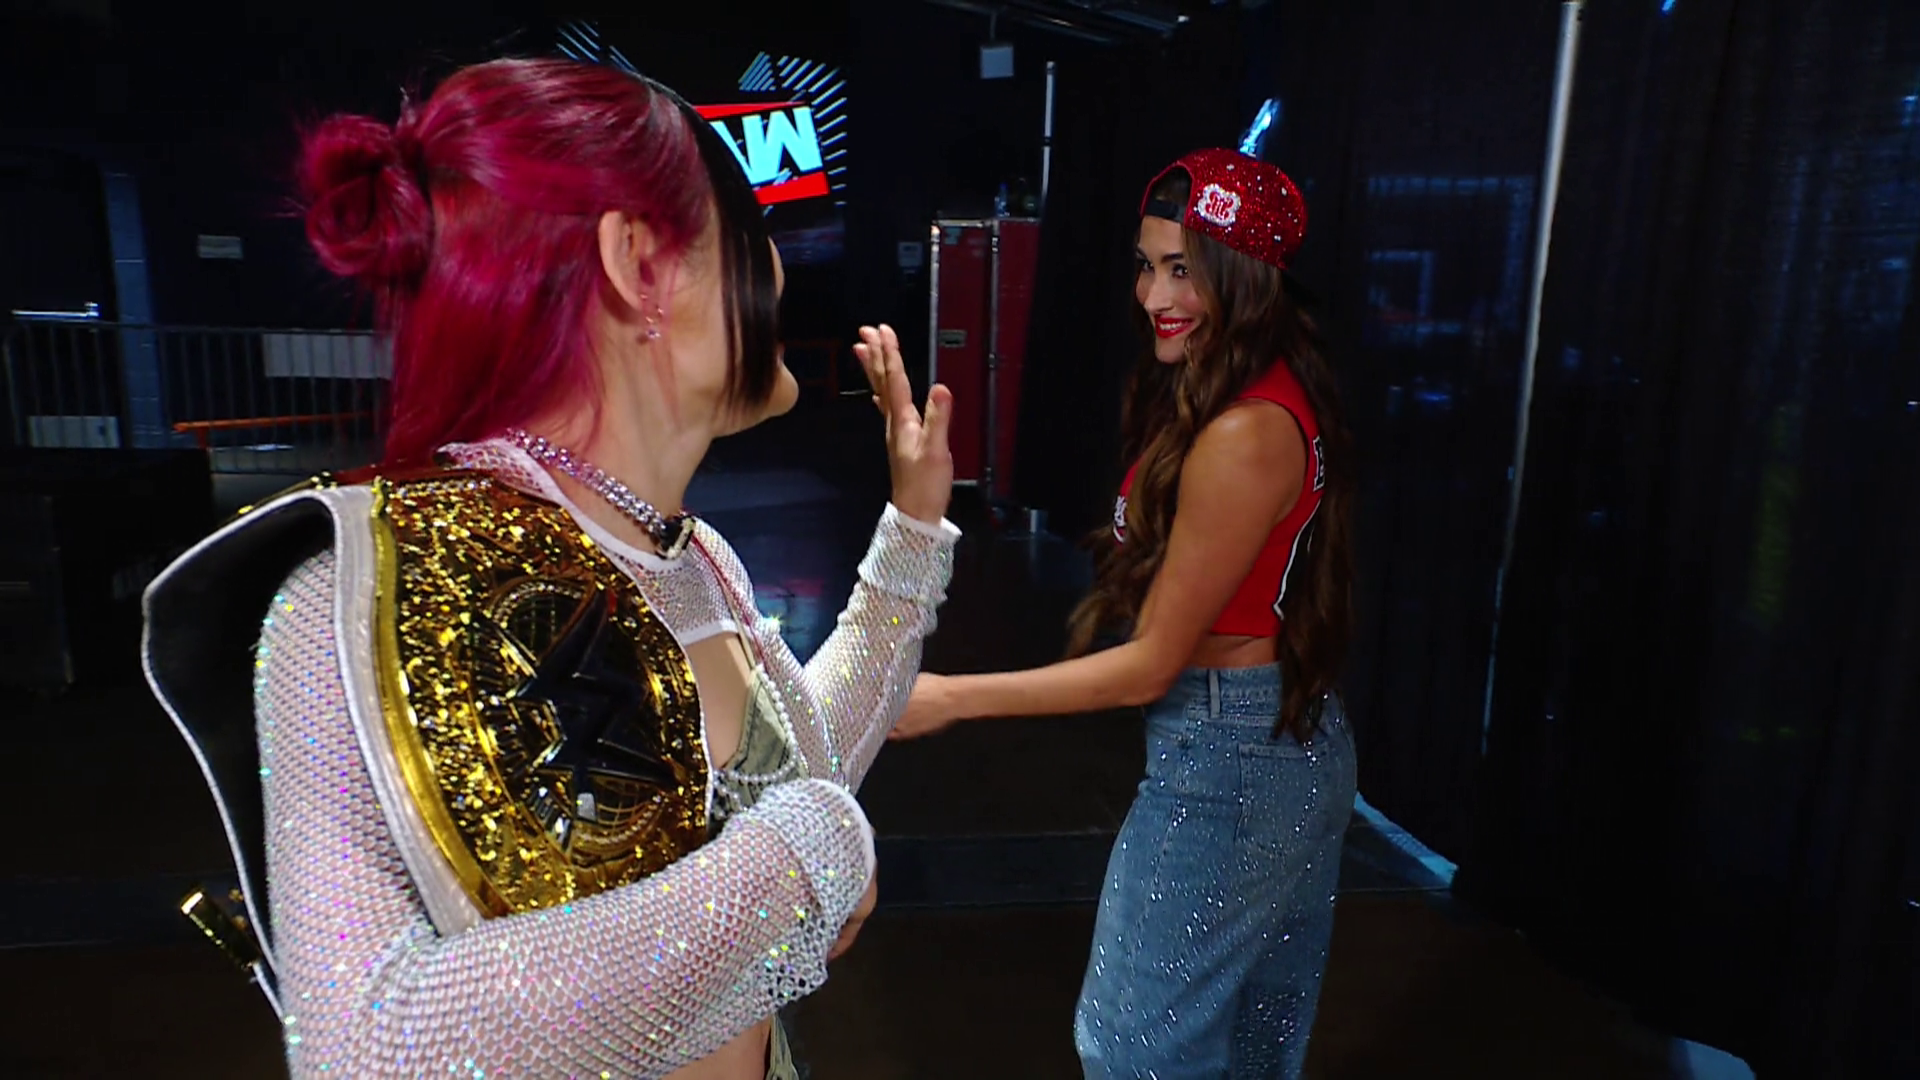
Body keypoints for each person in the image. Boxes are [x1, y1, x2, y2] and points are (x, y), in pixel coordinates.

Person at [141, 58, 957, 1079]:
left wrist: (913, 529)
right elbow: (370, 1048)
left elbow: (805, 774)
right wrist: (799, 864)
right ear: (639, 265)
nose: (781, 276)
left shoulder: (694, 557)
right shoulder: (354, 598)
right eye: (752, 236)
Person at [891, 148, 1358, 1078]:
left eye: (1184, 269)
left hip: (1235, 756)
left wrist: (949, 698)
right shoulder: (1235, 393)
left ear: (1245, 274)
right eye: (1147, 267)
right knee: (1248, 1052)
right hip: (1275, 742)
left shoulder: (1244, 430)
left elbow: (1149, 665)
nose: (1154, 296)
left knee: (1132, 1047)